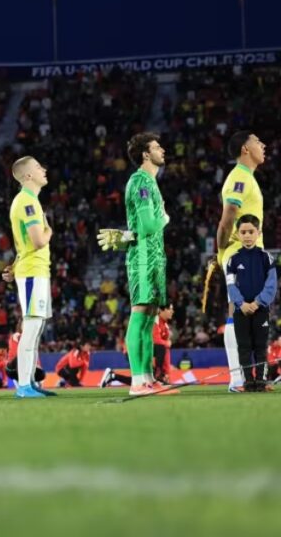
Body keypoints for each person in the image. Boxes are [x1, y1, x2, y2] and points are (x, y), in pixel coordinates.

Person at [98, 133, 177, 396]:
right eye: (157, 147)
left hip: (154, 256)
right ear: (146, 154)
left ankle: (148, 378)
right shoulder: (140, 182)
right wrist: (164, 217)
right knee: (140, 316)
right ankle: (137, 382)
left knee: (149, 321)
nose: (162, 150)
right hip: (143, 258)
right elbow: (146, 226)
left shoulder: (150, 183)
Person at [216, 132, 267, 392]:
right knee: (237, 310)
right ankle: (238, 379)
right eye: (258, 142)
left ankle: (253, 377)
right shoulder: (238, 177)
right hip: (239, 254)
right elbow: (227, 219)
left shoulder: (248, 178)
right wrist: (222, 250)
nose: (263, 145)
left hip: (252, 254)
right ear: (245, 149)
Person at [6, 156, 56, 399]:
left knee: (36, 328)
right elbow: (38, 240)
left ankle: (29, 383)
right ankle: (24, 385)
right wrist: (49, 230)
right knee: (32, 326)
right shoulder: (27, 202)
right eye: (38, 167)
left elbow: (23, 246)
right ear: (27, 176)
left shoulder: (28, 201)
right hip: (33, 271)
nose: (43, 169)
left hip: (35, 270)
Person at [225, 214, 278, 392]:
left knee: (260, 346)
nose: (247, 235)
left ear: (258, 233)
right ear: (238, 234)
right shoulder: (233, 260)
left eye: (251, 231)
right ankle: (248, 381)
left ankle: (261, 381)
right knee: (244, 347)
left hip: (260, 310)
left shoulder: (267, 258)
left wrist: (257, 303)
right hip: (241, 311)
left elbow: (271, 285)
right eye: (243, 232)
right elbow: (230, 286)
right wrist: (241, 304)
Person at [152, 304, 174, 384]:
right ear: (161, 310)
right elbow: (155, 340)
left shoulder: (166, 326)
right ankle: (158, 373)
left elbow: (166, 350)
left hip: (151, 352)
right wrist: (167, 343)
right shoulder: (154, 320)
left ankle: (114, 377)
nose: (172, 311)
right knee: (161, 346)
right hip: (140, 350)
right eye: (169, 309)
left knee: (140, 381)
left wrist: (167, 373)